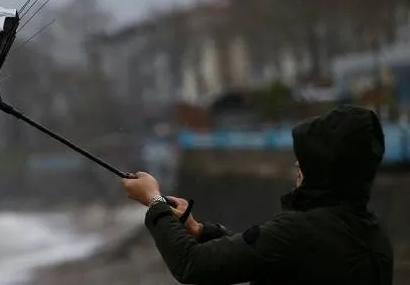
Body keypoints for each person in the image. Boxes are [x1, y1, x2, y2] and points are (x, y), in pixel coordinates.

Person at [122, 105, 394, 285]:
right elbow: (271, 255)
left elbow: (192, 264)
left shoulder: (298, 231)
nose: (297, 166)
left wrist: (154, 200)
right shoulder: (373, 235)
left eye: (307, 160)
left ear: (326, 169)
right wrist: (200, 230)